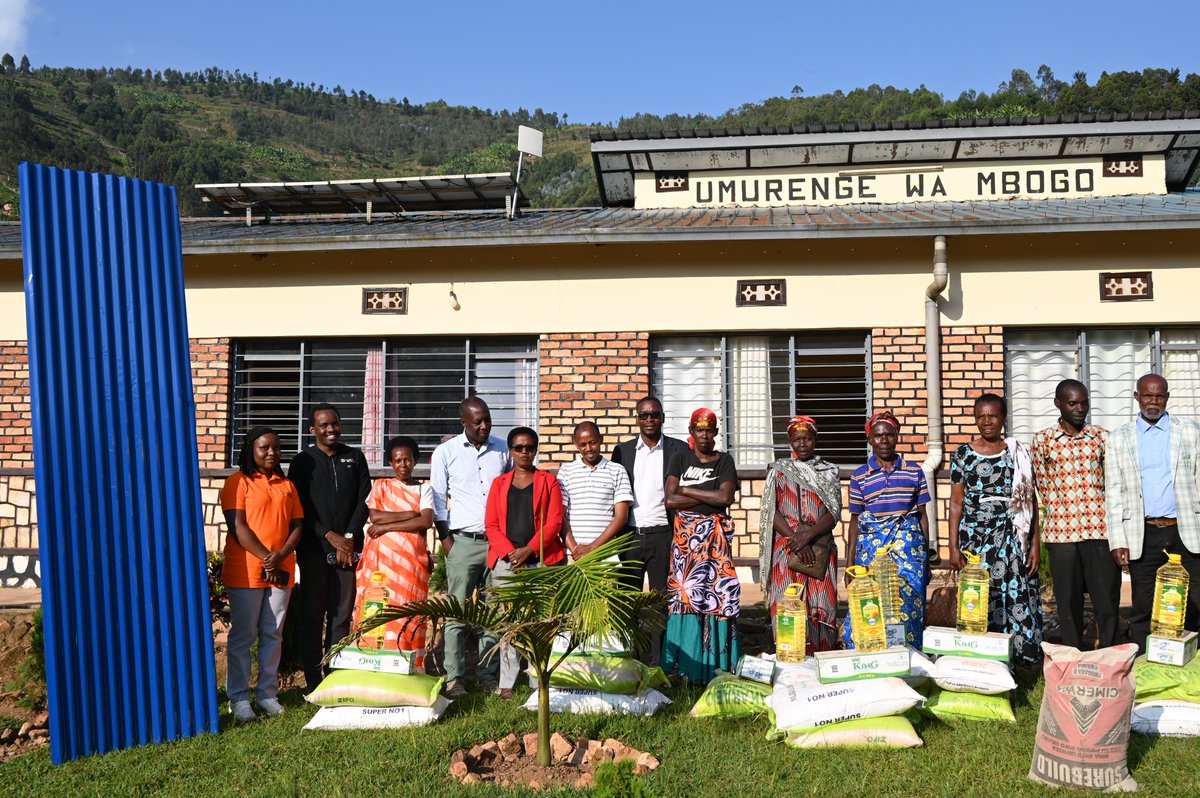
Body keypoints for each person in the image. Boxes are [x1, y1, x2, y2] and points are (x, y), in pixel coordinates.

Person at [1106, 373, 1200, 653]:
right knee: (1143, 608)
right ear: (1137, 397)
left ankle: (1193, 671)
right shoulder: (1120, 438)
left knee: (1194, 603)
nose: (1153, 402)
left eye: (1159, 396)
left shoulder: (1190, 430)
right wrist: (1117, 540)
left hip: (1186, 531)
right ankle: (1143, 668)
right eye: (1147, 395)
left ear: (1167, 398)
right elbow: (1113, 491)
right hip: (1142, 533)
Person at [948, 394, 1043, 669]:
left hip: (1013, 536)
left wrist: (1035, 543)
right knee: (979, 597)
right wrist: (953, 548)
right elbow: (956, 503)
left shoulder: (1017, 452)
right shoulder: (962, 454)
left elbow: (1029, 500)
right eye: (980, 416)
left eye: (992, 416)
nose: (986, 422)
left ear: (1004, 418)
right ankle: (981, 660)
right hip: (975, 541)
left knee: (1017, 595)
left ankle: (1023, 660)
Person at [430, 396, 512, 697]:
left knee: (495, 611)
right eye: (477, 421)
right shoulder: (446, 452)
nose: (484, 426)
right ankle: (455, 678)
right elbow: (437, 498)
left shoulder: (504, 449)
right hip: (462, 541)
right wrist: (446, 541)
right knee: (457, 612)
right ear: (463, 422)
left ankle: (488, 676)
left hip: (498, 543)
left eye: (487, 420)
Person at [220, 426, 303, 722]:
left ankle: (267, 695)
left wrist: (279, 556)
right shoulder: (237, 482)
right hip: (246, 571)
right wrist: (265, 557)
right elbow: (238, 527)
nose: (271, 453)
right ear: (250, 450)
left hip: (281, 570)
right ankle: (239, 699)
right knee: (243, 636)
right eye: (264, 448)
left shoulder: (287, 485)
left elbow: (297, 526)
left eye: (276, 448)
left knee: (273, 634)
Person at [287, 404, 371, 692]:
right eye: (324, 425)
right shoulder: (302, 462)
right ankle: (313, 681)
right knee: (313, 615)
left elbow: (364, 500)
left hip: (348, 549)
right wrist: (329, 535)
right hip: (313, 550)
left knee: (341, 616)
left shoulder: (355, 457)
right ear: (313, 429)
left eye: (335, 423)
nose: (331, 429)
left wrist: (347, 537)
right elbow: (299, 508)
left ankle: (334, 675)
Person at [1032, 379, 1120, 650]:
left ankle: (1110, 656)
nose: (1080, 408)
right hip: (1062, 533)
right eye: (1072, 403)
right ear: (1058, 403)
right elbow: (1043, 483)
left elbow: (1112, 481)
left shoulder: (1102, 437)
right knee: (1068, 603)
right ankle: (1072, 657)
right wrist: (1062, 508)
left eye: (1084, 403)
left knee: (1106, 600)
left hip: (1100, 531)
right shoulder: (1043, 441)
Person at [484, 427, 565, 699]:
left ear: (536, 449)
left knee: (538, 622)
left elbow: (555, 521)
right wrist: (511, 553)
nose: (524, 452)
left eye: (529, 447)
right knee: (509, 622)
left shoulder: (548, 481)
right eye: (519, 447)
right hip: (507, 563)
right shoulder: (499, 483)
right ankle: (507, 683)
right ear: (511, 450)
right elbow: (491, 525)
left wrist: (528, 550)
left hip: (540, 561)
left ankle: (536, 680)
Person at [662, 408, 740, 684]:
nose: (704, 435)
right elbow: (669, 501)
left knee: (718, 596)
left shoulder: (725, 461)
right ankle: (684, 669)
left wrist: (685, 490)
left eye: (709, 430)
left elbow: (726, 497)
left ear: (716, 433)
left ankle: (715, 667)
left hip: (715, 544)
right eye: (699, 430)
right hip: (685, 545)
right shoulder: (680, 457)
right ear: (691, 432)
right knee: (685, 598)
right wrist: (708, 497)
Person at [611, 396, 689, 665]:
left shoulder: (679, 449)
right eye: (643, 415)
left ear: (663, 417)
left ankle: (658, 663)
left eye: (654, 415)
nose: (649, 420)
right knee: (628, 600)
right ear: (637, 418)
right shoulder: (622, 451)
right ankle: (629, 659)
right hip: (630, 536)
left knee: (660, 603)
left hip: (663, 535)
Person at [843, 410, 929, 649]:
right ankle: (871, 655)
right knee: (871, 602)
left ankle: (908, 655)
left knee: (909, 602)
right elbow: (855, 522)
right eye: (878, 436)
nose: (884, 441)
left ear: (897, 437)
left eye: (889, 435)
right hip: (872, 554)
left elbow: (922, 517)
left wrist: (926, 559)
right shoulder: (860, 476)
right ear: (870, 440)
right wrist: (849, 565)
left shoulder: (914, 471)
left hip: (909, 553)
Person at [759, 415, 842, 655]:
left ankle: (821, 653)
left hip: (820, 545)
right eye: (797, 439)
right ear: (790, 441)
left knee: (821, 602)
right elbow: (769, 510)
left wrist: (807, 536)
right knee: (788, 600)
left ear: (815, 439)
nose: (802, 444)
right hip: (786, 546)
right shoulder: (779, 470)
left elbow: (833, 511)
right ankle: (789, 655)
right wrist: (795, 538)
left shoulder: (828, 471)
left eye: (807, 439)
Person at [353, 436, 435, 671]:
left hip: (411, 566)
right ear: (391, 462)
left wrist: (387, 527)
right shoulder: (381, 486)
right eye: (398, 461)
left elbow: (426, 521)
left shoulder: (424, 489)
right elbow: (375, 517)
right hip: (381, 565)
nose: (403, 465)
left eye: (407, 460)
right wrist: (411, 513)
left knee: (408, 613)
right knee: (380, 609)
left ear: (415, 461)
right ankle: (374, 664)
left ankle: (410, 665)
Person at [559, 421, 633, 559]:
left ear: (601, 439)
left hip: (605, 555)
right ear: (576, 444)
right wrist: (576, 550)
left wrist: (592, 548)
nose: (588, 448)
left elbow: (621, 517)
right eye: (582, 445)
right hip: (573, 555)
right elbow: (560, 516)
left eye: (592, 442)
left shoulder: (617, 470)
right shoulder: (566, 472)